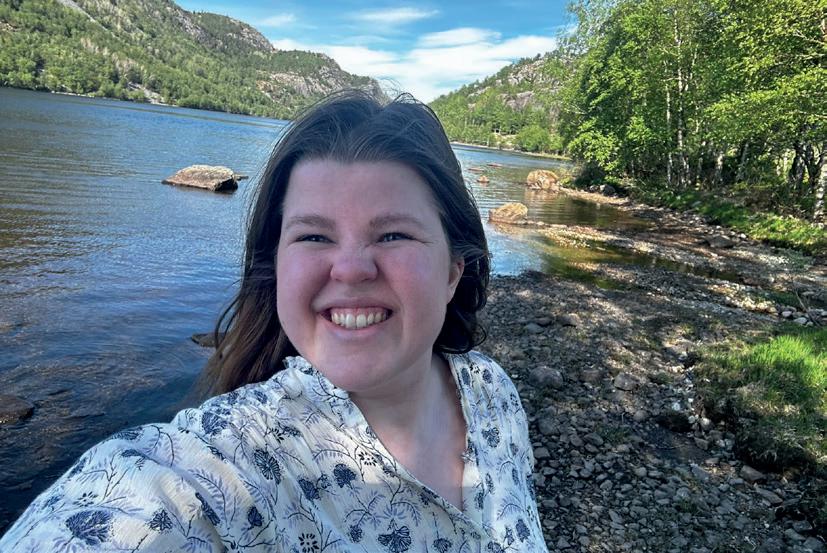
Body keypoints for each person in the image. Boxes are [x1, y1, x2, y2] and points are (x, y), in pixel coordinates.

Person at [1, 91, 548, 552]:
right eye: (314, 235)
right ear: (278, 265)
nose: (350, 268)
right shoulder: (226, 464)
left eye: (393, 234)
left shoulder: (491, 391)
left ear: (453, 271)